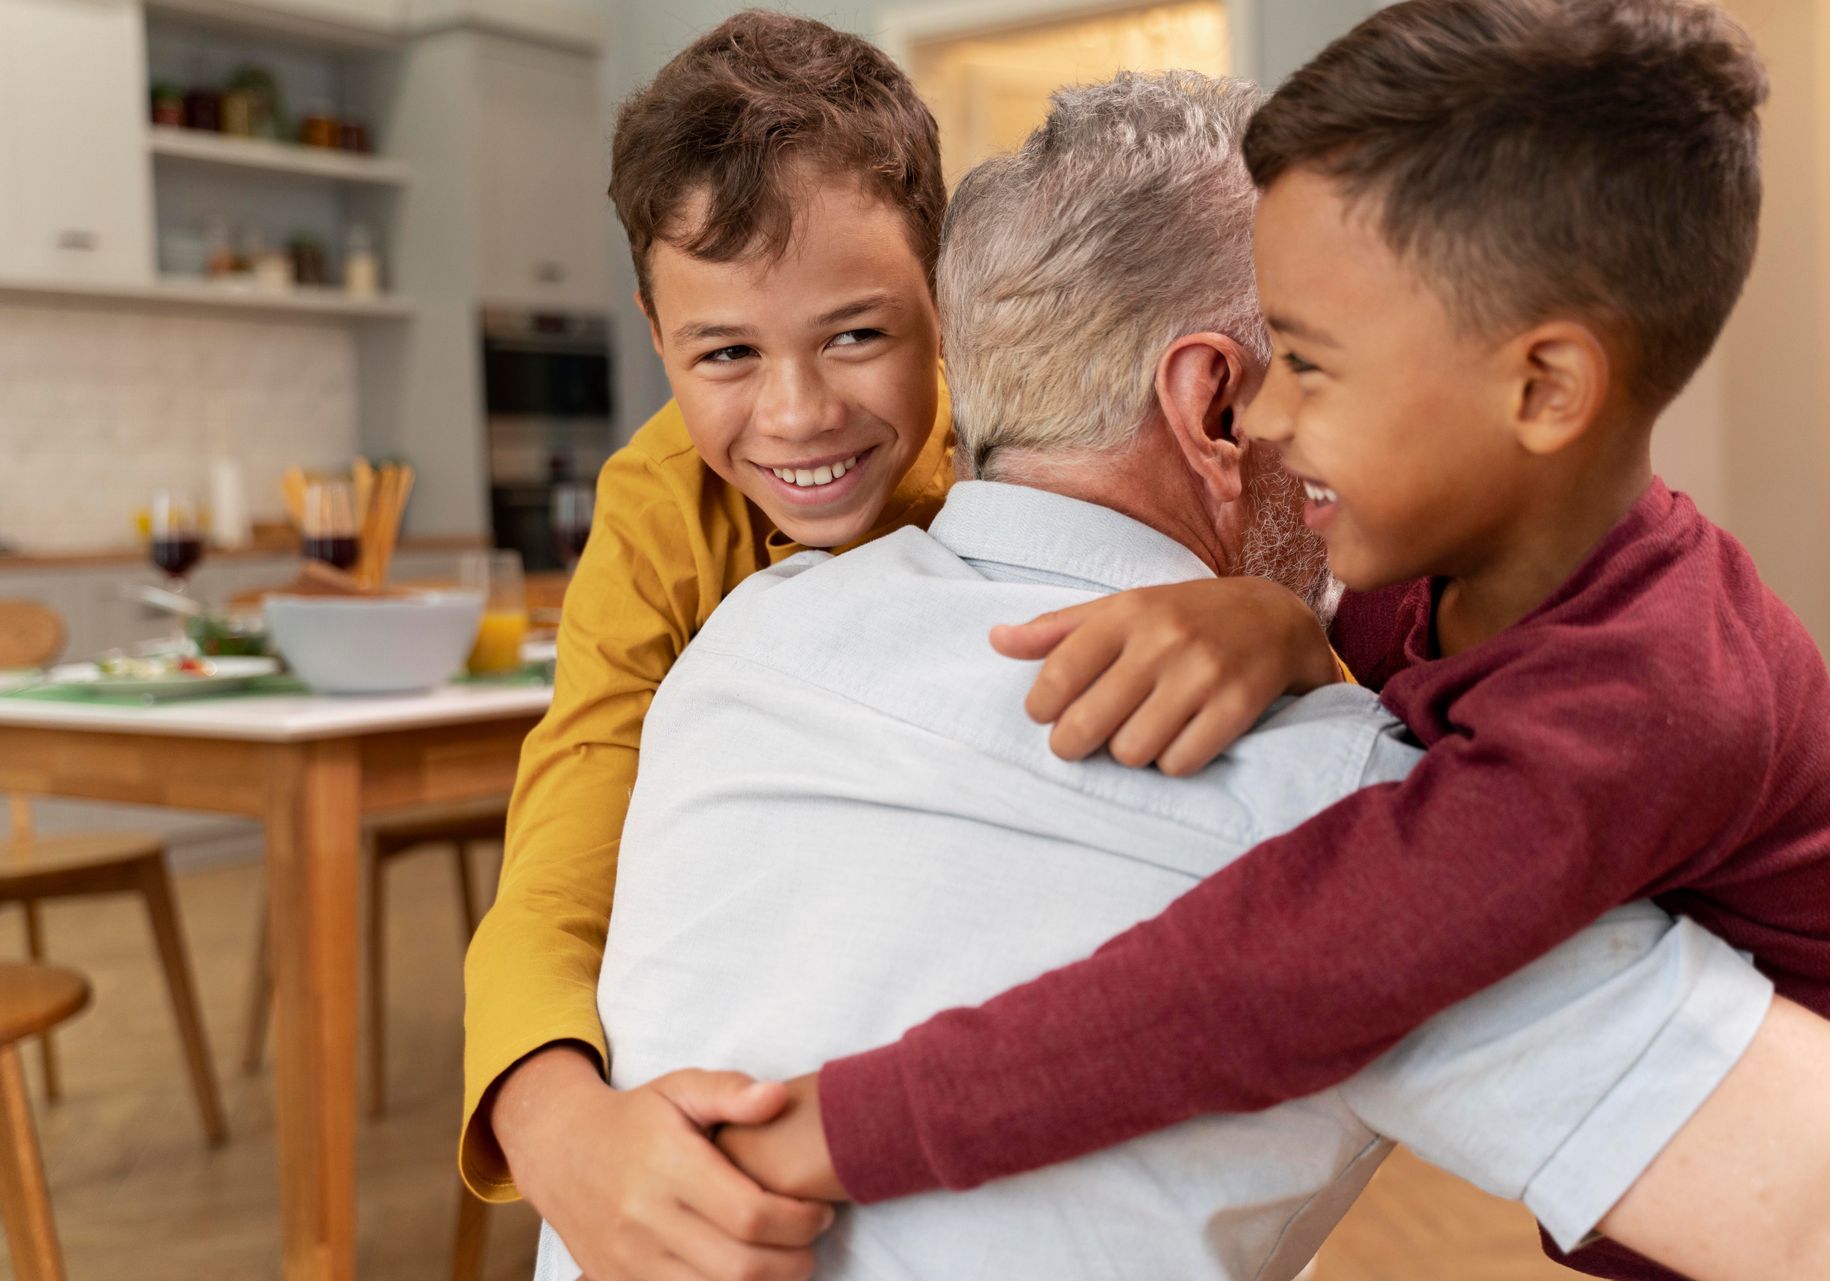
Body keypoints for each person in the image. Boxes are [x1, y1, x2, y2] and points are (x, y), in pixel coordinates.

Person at [548, 72, 1830, 1281]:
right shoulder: (1330, 792)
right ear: (1213, 405)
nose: (1292, 425)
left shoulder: (738, 644)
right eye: (1294, 368)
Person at [462, 6, 1335, 1257]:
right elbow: (566, 835)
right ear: (656, 339)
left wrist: (1277, 623)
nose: (799, 414)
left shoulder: (1025, 455)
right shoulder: (662, 509)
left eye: (858, 335)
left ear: (949, 302)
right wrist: (554, 1128)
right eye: (723, 353)